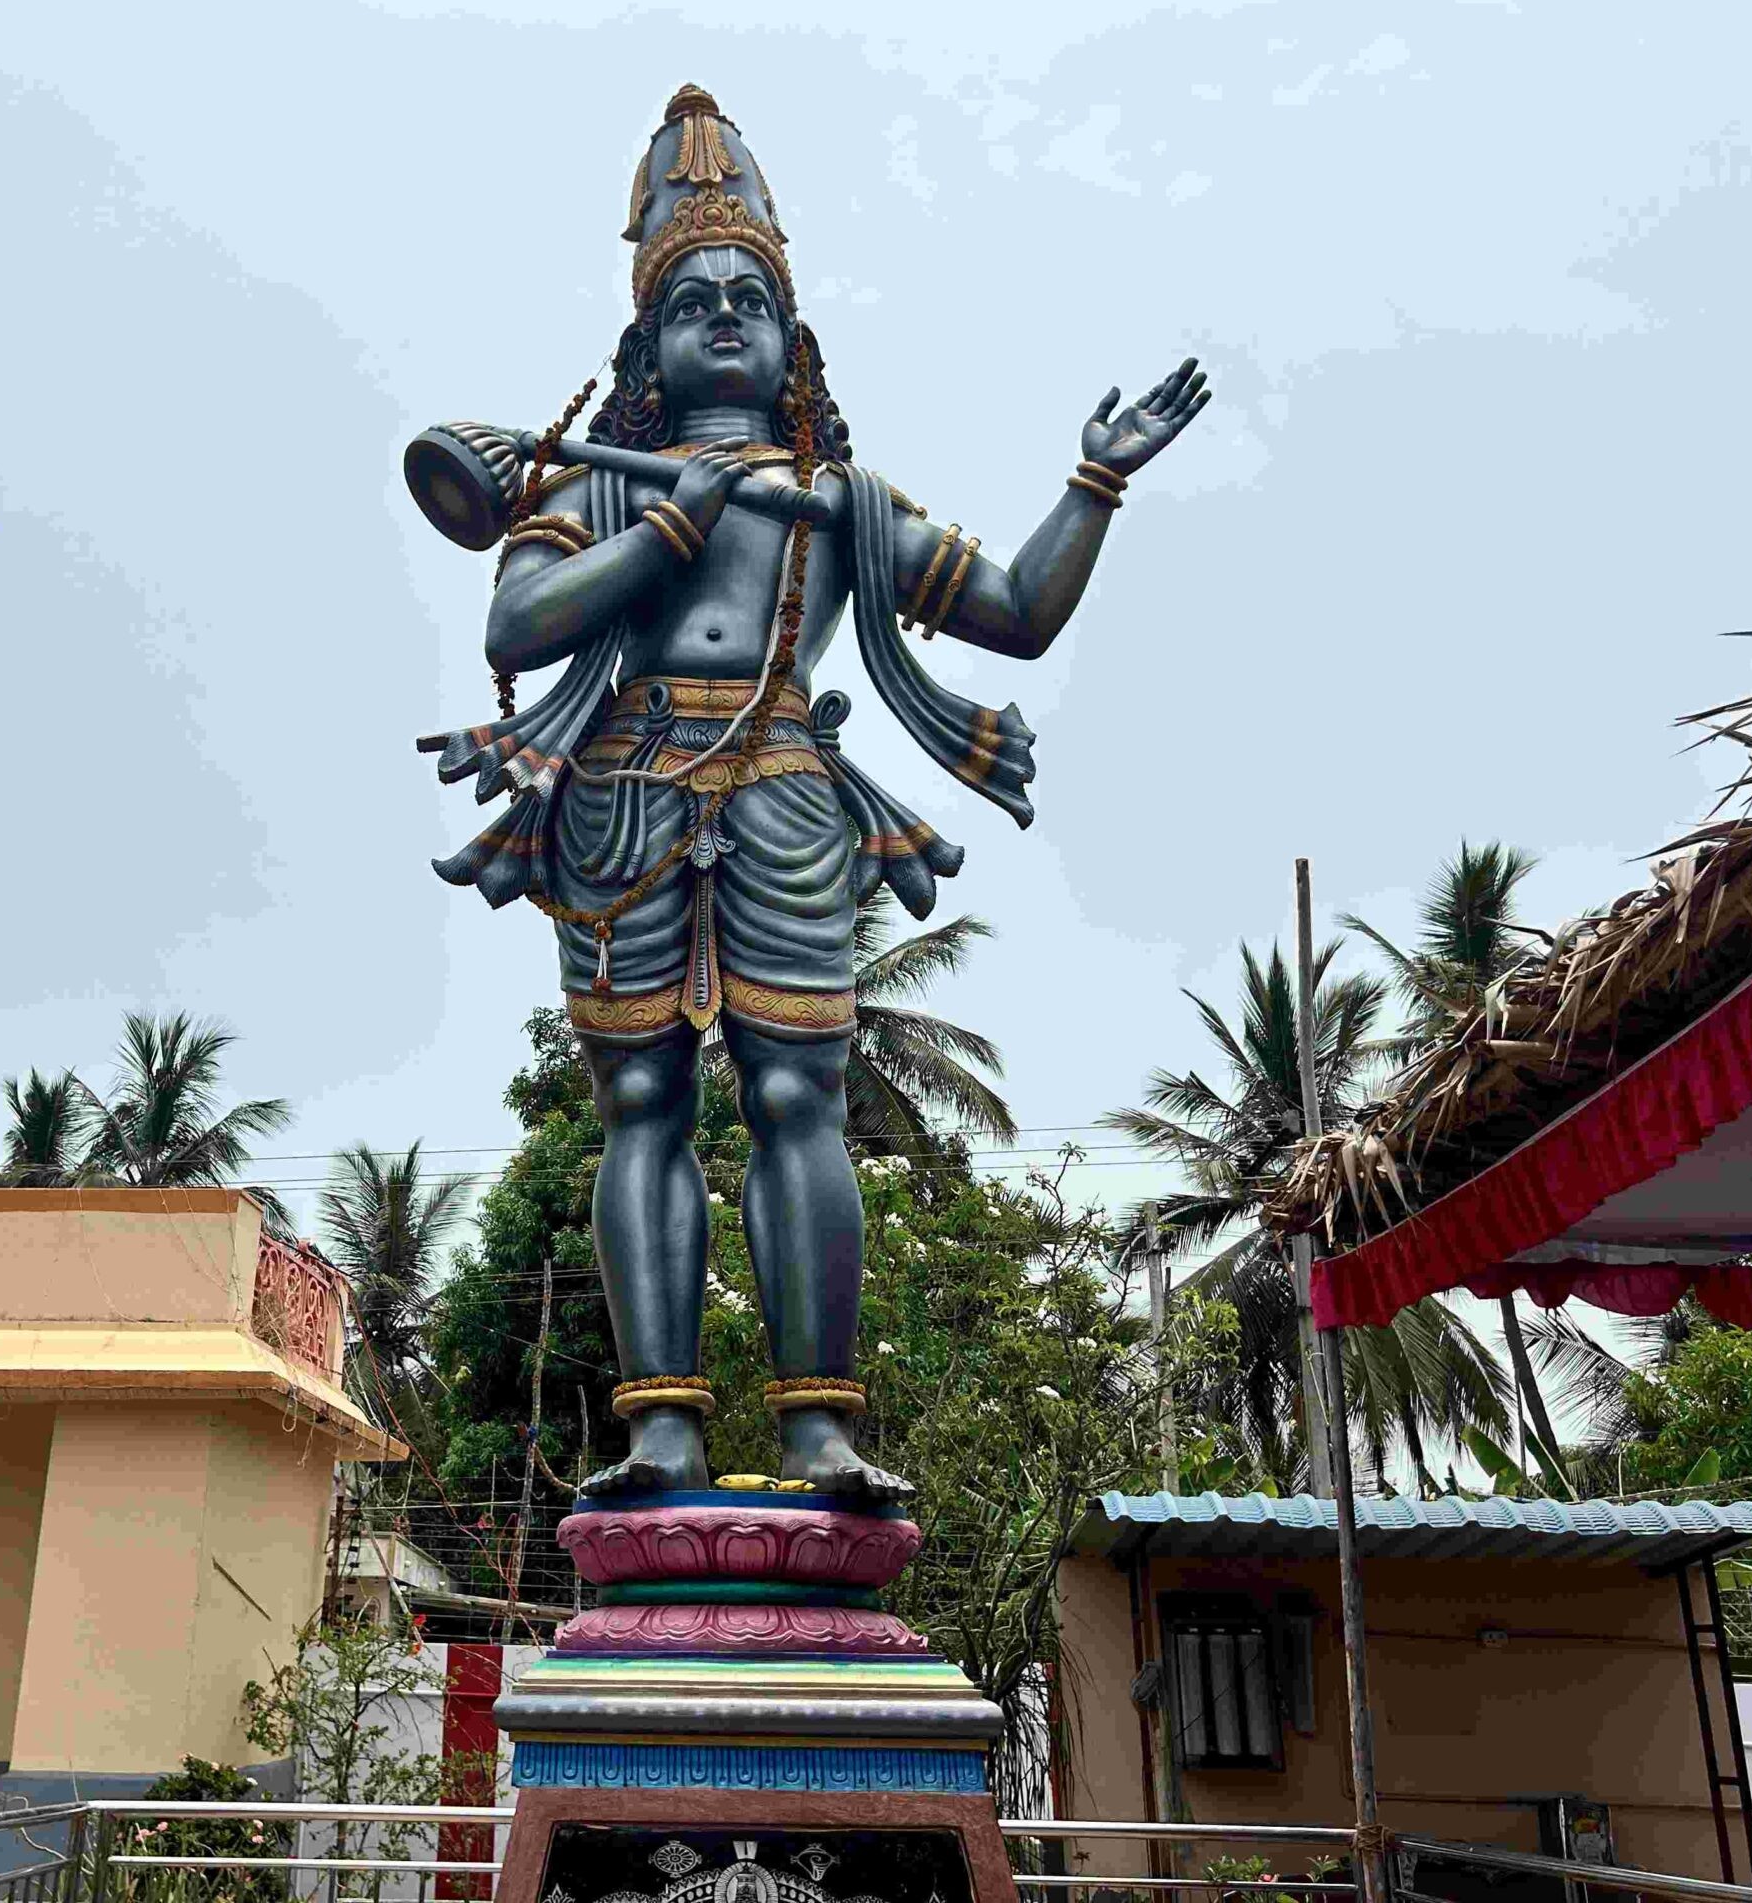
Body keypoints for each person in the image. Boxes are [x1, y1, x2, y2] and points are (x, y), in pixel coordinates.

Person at [420, 87, 1207, 1499]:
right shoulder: (601, 490)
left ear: (794, 340)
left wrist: (1095, 481)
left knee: (800, 1091)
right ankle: (660, 1429)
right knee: (643, 1096)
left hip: (785, 790)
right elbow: (517, 625)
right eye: (693, 303)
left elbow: (1018, 612)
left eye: (752, 302)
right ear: (648, 346)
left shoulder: (843, 499)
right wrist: (667, 527)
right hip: (621, 792)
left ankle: (818, 1427)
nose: (725, 318)